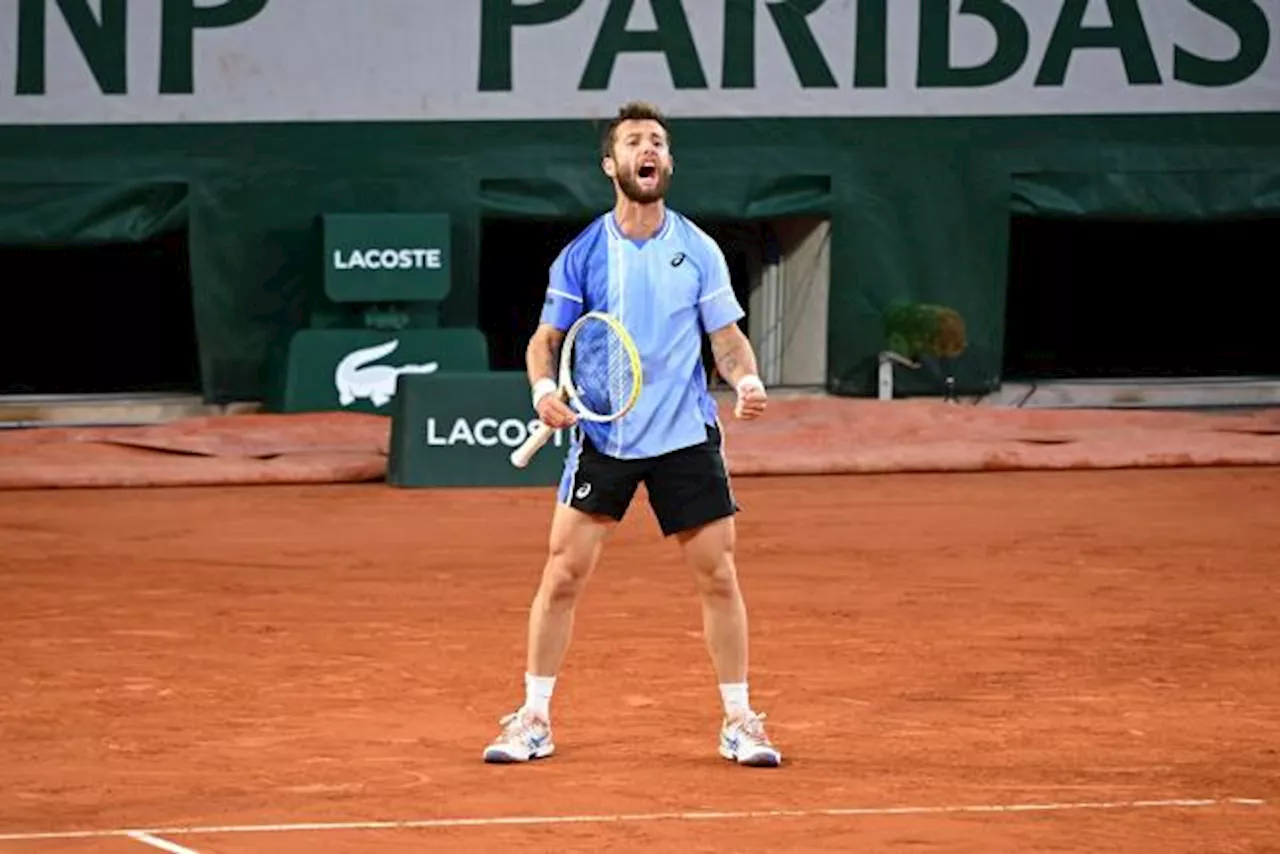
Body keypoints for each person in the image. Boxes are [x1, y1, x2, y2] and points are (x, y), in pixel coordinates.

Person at [482, 101, 781, 768]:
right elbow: (546, 341)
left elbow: (726, 342)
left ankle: (740, 720)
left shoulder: (698, 249)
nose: (650, 150)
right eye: (636, 142)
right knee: (562, 575)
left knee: (718, 575)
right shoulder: (582, 254)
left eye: (659, 142)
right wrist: (542, 391)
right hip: (605, 440)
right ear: (611, 164)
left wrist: (748, 381)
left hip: (684, 437)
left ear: (666, 163)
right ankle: (533, 717)